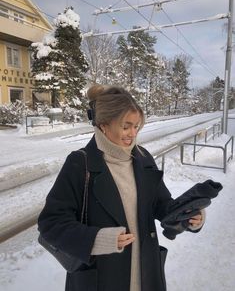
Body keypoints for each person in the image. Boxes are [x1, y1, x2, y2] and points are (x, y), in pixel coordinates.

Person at [38, 85, 204, 291]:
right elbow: (50, 223)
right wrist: (98, 239)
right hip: (101, 278)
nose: (132, 134)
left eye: (136, 126)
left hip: (145, 275)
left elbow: (161, 205)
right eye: (126, 126)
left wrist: (187, 215)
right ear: (104, 125)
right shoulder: (80, 163)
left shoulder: (143, 158)